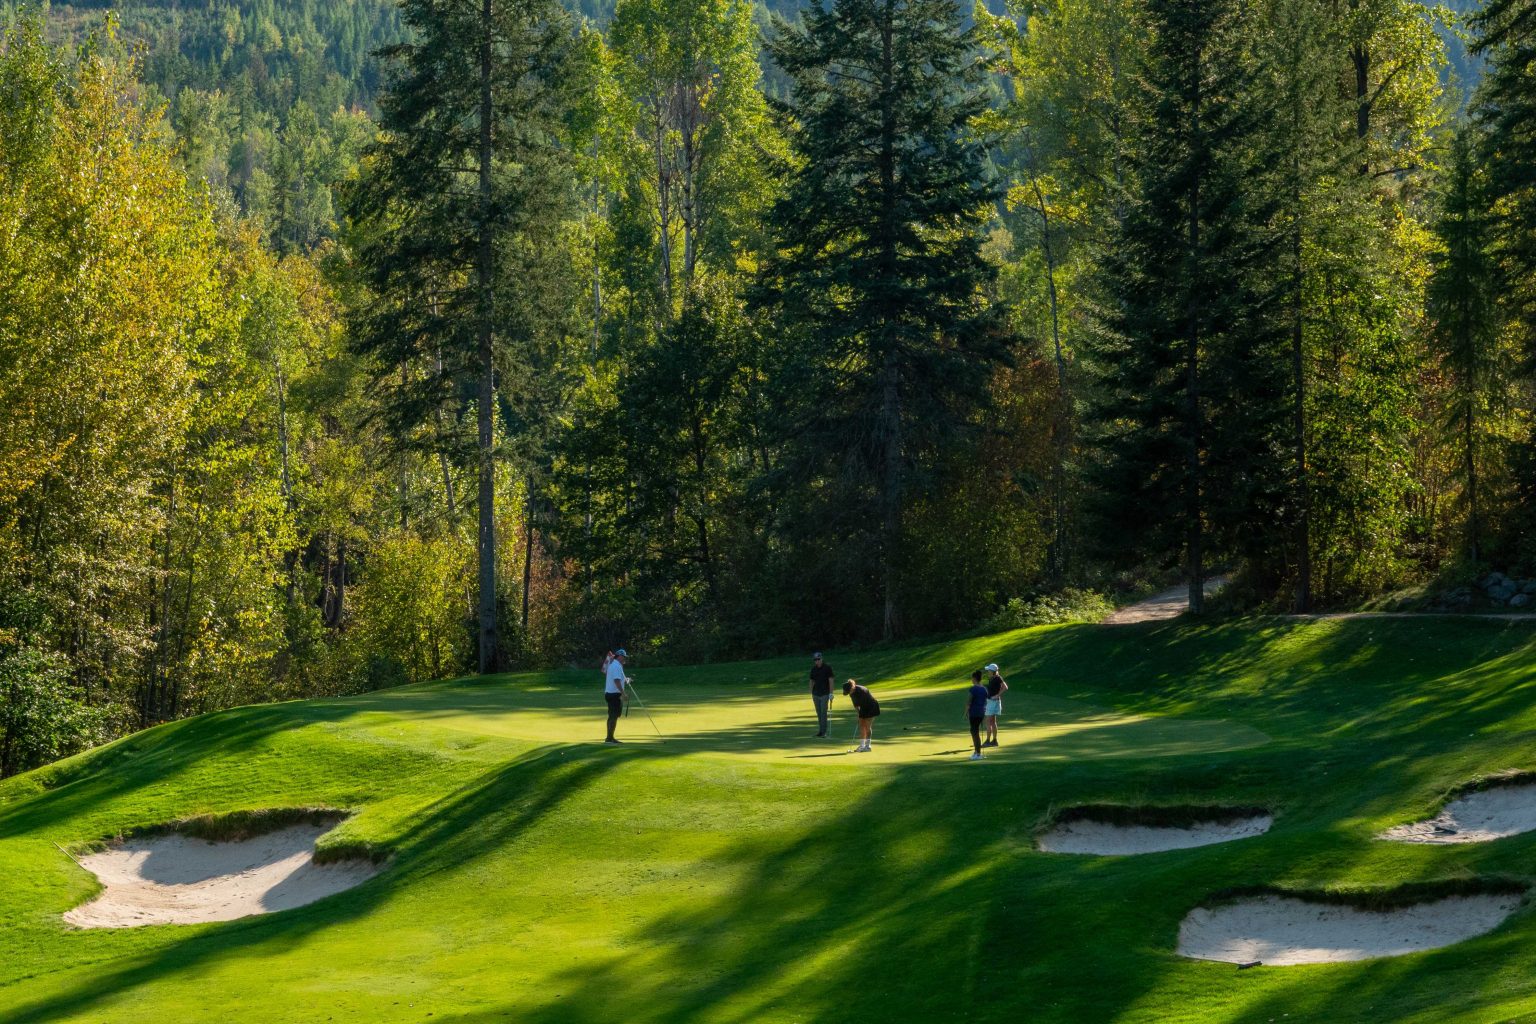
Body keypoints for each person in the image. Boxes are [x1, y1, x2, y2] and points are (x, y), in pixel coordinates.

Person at [842, 679, 880, 752]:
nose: (849, 693)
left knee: (867, 726)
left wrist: (860, 716)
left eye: (848, 692)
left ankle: (868, 746)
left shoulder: (862, 691)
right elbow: (855, 705)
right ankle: (862, 746)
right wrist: (858, 714)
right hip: (864, 707)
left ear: (852, 688)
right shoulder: (851, 693)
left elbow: (864, 705)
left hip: (871, 707)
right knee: (861, 725)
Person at [604, 648, 630, 744]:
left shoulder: (617, 665)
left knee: (613, 716)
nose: (625, 659)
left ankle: (609, 737)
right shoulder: (616, 666)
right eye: (624, 657)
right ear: (619, 656)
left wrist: (627, 680)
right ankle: (609, 738)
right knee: (613, 716)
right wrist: (623, 693)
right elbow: (616, 681)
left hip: (612, 694)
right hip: (614, 694)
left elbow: (620, 679)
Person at [809, 652, 835, 737]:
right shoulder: (813, 669)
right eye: (815, 660)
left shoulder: (827, 668)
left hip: (825, 693)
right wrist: (811, 692)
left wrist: (831, 693)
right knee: (819, 713)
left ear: (821, 659)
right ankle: (821, 731)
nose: (817, 661)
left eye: (818, 659)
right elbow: (812, 681)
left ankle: (823, 732)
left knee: (823, 713)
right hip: (816, 693)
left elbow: (831, 680)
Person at [983, 662, 1008, 748]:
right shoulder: (993, 678)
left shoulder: (997, 678)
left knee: (988, 722)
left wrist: (997, 695)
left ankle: (988, 741)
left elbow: (1005, 687)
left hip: (993, 702)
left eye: (988, 670)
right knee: (993, 722)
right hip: (994, 701)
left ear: (992, 671)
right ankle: (994, 741)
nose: (987, 672)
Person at [966, 669, 989, 760]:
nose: (971, 680)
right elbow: (986, 700)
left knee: (974, 732)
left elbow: (969, 702)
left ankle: (978, 753)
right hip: (981, 713)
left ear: (975, 678)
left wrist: (966, 713)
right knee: (975, 731)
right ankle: (976, 752)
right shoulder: (984, 689)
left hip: (974, 712)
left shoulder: (973, 689)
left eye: (972, 678)